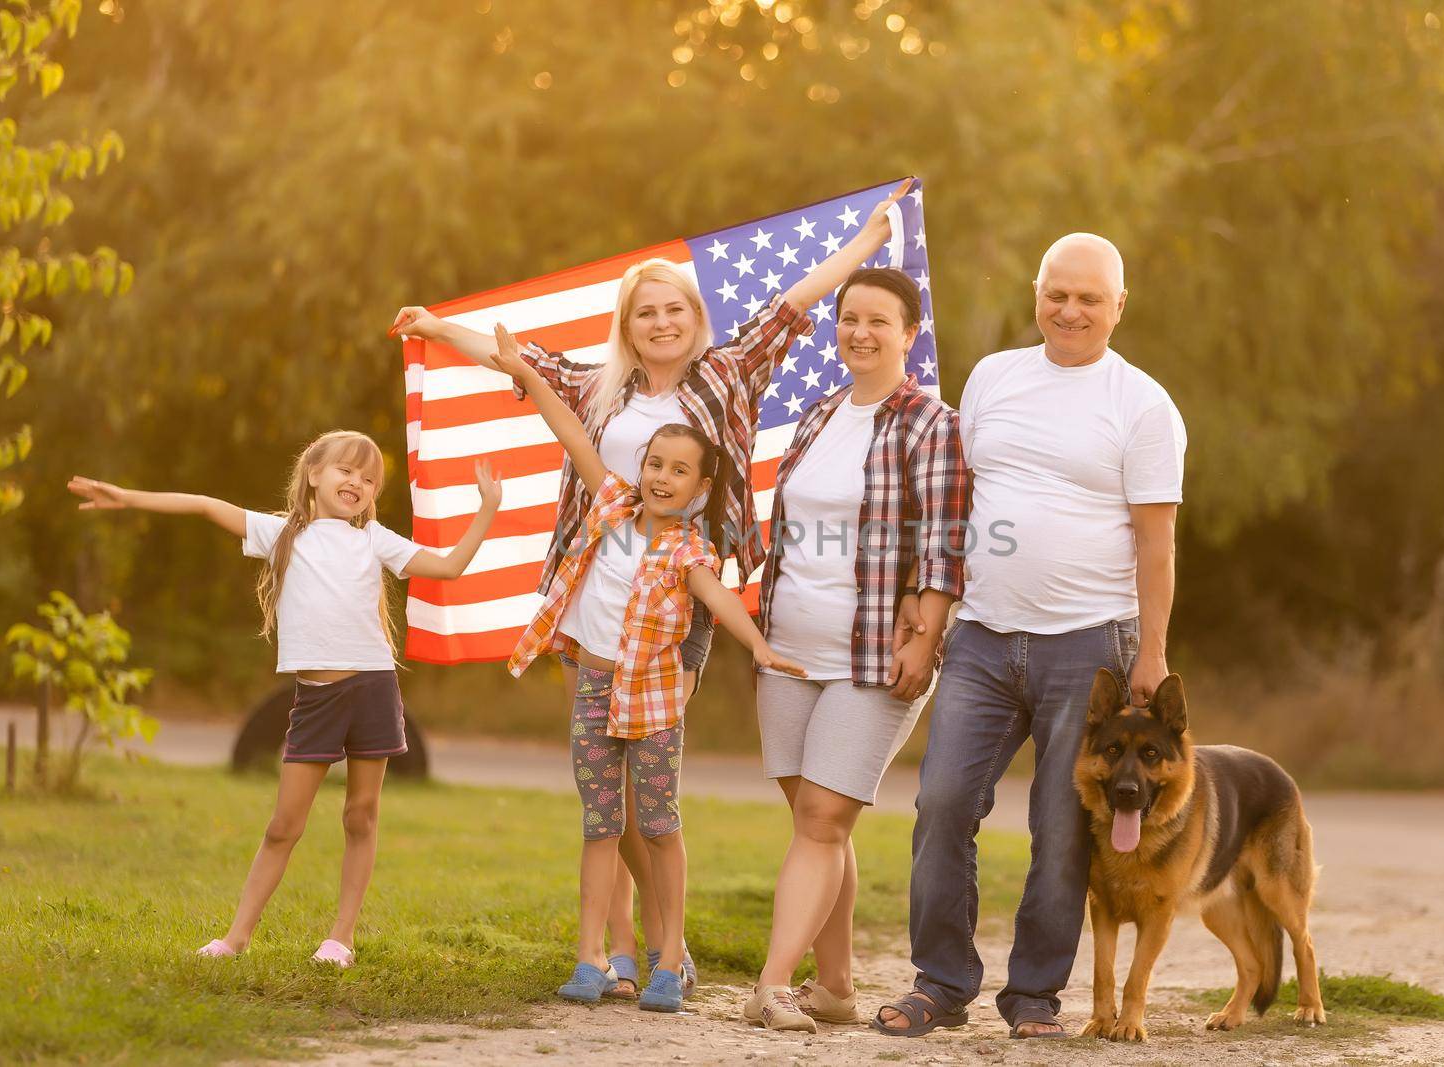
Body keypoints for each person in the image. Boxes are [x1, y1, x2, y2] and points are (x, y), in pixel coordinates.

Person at [388, 179, 913, 997]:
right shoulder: (602, 388)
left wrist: (866, 243)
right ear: (628, 327)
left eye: (674, 309)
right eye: (645, 313)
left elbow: (792, 300)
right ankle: (625, 948)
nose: (661, 322)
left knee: (648, 775)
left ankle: (672, 949)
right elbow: (515, 361)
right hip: (591, 591)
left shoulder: (729, 373)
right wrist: (432, 325)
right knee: (605, 779)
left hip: (680, 596)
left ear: (694, 319)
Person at [874, 233, 1186, 1039]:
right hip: (981, 638)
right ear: (1036, 293)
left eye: (1089, 297)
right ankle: (940, 982)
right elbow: (960, 502)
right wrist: (927, 605)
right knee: (942, 800)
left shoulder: (1143, 405)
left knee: (1059, 826)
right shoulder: (993, 378)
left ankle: (1035, 996)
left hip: (1090, 648)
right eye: (1058, 293)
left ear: (1119, 305)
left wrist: (1151, 652)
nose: (1070, 309)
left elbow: (1157, 543)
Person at [67, 431, 502, 968]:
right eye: (347, 470)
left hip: (372, 687)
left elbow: (449, 566)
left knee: (360, 816)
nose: (358, 484)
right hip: (316, 699)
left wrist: (488, 510)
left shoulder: (375, 540)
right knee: (282, 826)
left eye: (369, 480)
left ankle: (340, 939)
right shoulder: (281, 535)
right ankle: (235, 938)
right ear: (314, 473)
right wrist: (129, 498)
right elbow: (205, 506)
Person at [492, 323, 807, 1013]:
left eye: (677, 470)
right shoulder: (611, 505)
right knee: (599, 822)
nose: (662, 477)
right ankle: (593, 956)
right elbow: (570, 429)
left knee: (659, 824)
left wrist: (757, 645)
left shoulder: (689, 551)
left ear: (699, 487)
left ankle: (669, 962)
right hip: (596, 687)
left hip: (656, 701)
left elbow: (721, 599)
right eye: (654, 463)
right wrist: (525, 369)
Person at [741, 267, 967, 1033]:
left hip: (875, 653)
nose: (860, 333)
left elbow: (944, 543)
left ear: (910, 334)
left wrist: (927, 632)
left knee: (822, 813)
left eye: (879, 321)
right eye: (849, 319)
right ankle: (834, 985)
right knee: (816, 819)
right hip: (788, 647)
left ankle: (773, 984)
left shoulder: (930, 422)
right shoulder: (816, 415)